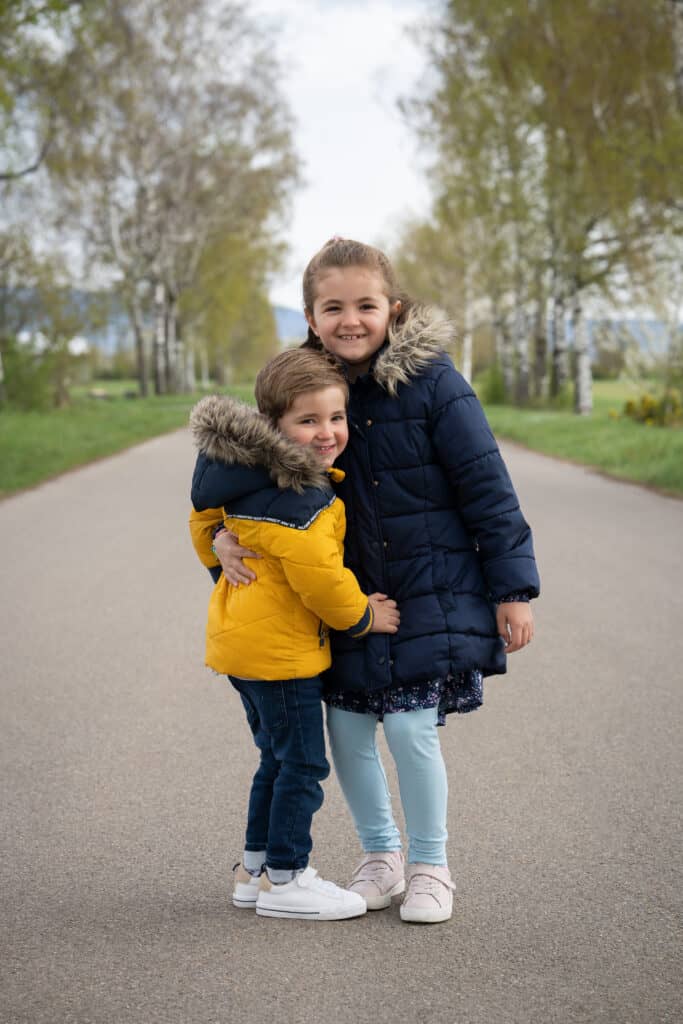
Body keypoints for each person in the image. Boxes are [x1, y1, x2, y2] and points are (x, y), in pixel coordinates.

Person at [214, 238, 540, 925]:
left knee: (413, 729)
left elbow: (486, 485)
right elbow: (242, 486)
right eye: (332, 307)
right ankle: (380, 857)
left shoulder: (435, 384)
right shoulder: (299, 386)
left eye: (365, 305)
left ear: (392, 308)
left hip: (427, 590)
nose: (350, 320)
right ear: (310, 316)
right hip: (343, 600)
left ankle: (430, 866)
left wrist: (511, 589)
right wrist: (221, 538)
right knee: (348, 730)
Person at [188, 347, 399, 921]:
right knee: (303, 765)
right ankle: (287, 879)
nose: (327, 433)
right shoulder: (300, 498)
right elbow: (321, 580)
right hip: (280, 654)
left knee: (275, 760)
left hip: (243, 644)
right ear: (273, 424)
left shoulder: (240, 472)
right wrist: (363, 616)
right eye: (308, 420)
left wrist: (218, 547)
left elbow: (202, 519)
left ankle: (253, 871)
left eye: (336, 417)